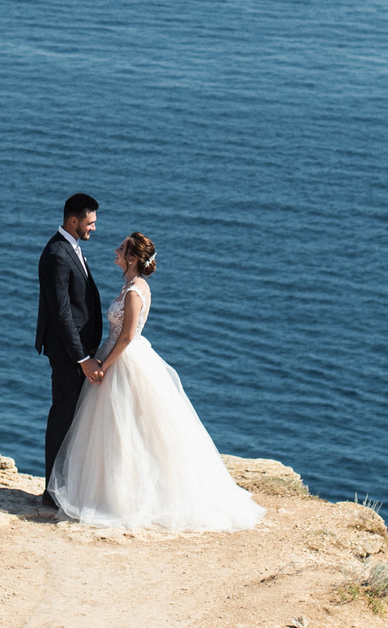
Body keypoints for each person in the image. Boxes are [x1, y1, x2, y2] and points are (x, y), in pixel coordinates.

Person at [46, 232, 262, 532]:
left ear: (132, 258)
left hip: (122, 361)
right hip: (119, 357)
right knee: (118, 431)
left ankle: (124, 497)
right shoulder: (132, 286)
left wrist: (103, 366)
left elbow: (127, 336)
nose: (116, 250)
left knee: (124, 430)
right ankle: (111, 491)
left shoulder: (134, 292)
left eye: (121, 249)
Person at [34, 193, 105, 509]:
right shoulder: (56, 255)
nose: (93, 229)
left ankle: (69, 486)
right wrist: (82, 359)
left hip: (78, 351)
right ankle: (52, 491)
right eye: (89, 223)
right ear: (72, 220)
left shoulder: (71, 249)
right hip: (67, 355)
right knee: (63, 416)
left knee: (75, 417)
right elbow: (62, 313)